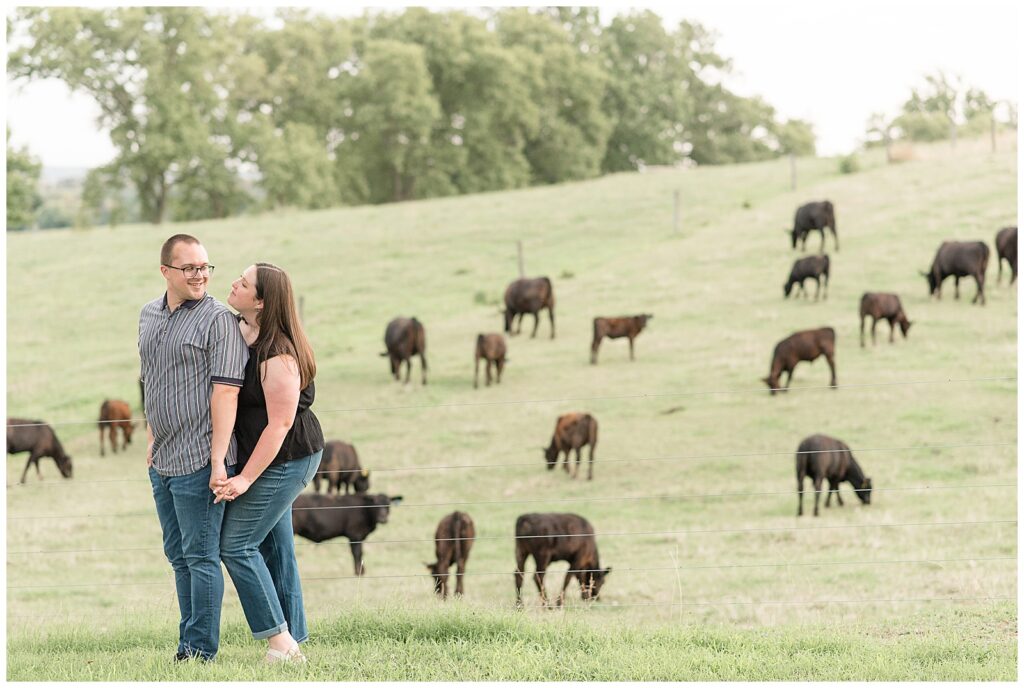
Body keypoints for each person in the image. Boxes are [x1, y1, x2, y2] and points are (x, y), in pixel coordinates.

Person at [139, 234, 248, 662]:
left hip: (200, 460)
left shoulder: (218, 320)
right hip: (163, 460)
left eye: (204, 266)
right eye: (190, 268)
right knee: (178, 556)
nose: (200, 274)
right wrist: (151, 436)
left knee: (201, 557)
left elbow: (226, 393)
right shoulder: (148, 315)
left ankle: (199, 652)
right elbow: (150, 378)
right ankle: (187, 643)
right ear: (166, 271)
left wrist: (218, 460)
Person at [215, 262, 324, 664]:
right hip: (271, 457)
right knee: (276, 547)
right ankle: (295, 640)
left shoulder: (278, 354)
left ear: (260, 301)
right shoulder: (242, 330)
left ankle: (279, 643)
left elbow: (279, 425)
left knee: (237, 545)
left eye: (243, 284)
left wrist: (244, 478)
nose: (233, 284)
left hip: (288, 458)